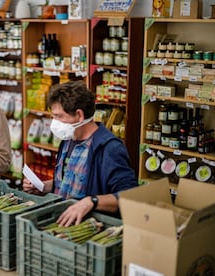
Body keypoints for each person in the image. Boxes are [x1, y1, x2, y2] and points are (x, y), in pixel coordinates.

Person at [23, 80, 138, 227]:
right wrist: (43, 187)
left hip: (89, 229)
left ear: (79, 115)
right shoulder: (69, 138)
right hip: (62, 223)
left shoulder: (109, 149)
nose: (54, 122)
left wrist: (91, 202)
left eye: (59, 116)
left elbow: (128, 199)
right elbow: (72, 180)